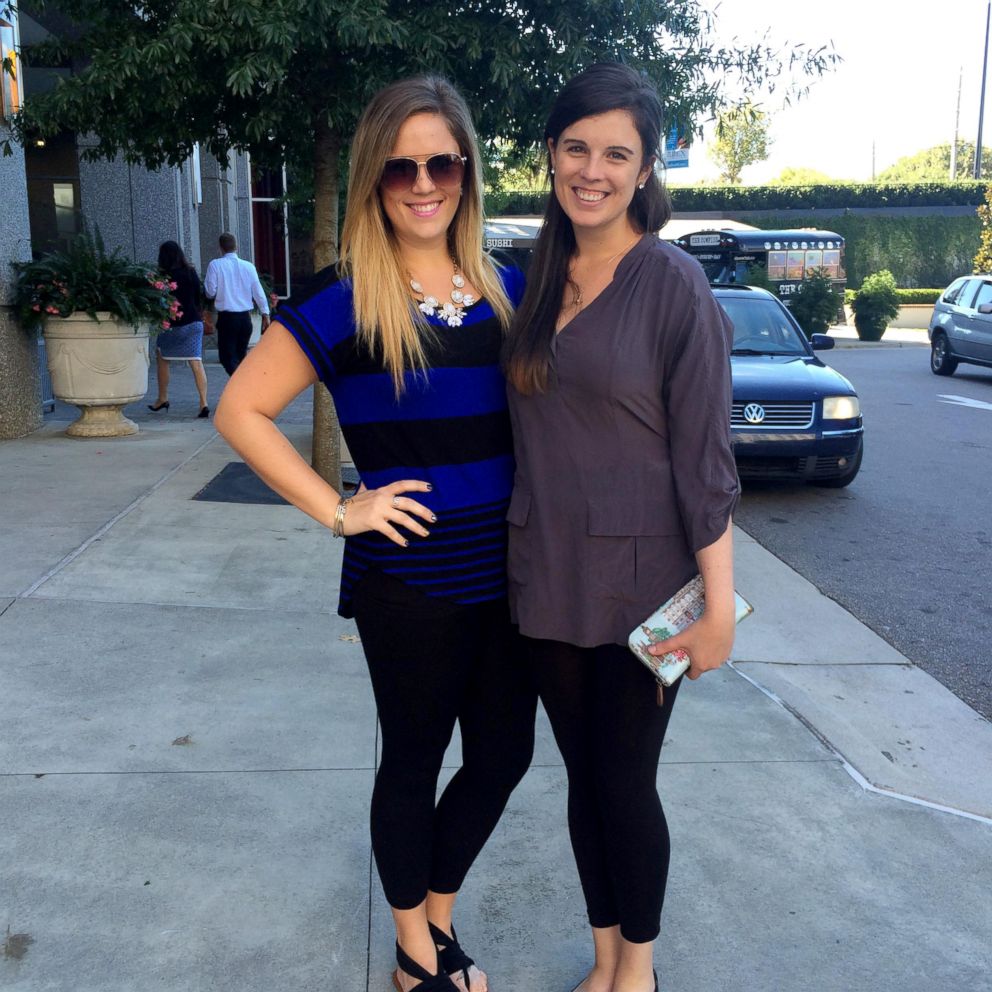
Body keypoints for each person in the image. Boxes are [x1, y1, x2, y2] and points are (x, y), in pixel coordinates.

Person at [214, 76, 536, 992]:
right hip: (412, 581)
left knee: (505, 756)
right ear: (373, 177)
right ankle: (413, 949)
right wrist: (339, 508)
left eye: (442, 161)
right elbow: (240, 409)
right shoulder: (345, 297)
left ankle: (436, 916)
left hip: (510, 572)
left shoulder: (510, 289)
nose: (423, 181)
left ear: (468, 169)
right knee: (414, 759)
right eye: (401, 166)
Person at [502, 63, 740, 992]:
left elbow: (705, 466)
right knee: (583, 780)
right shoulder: (531, 275)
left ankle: (635, 972)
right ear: (551, 156)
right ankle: (602, 960)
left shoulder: (675, 286)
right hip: (545, 573)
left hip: (648, 591)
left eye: (616, 153)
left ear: (644, 170)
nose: (591, 169)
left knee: (626, 783)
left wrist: (719, 613)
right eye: (575, 148)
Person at [148, 240, 209, 417]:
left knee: (162, 358)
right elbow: (199, 296)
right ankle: (203, 402)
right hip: (194, 322)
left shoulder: (165, 276)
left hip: (173, 324)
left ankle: (162, 398)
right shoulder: (190, 272)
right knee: (196, 362)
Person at [203, 232, 271, 376]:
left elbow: (210, 292)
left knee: (227, 358)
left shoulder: (215, 265)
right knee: (240, 357)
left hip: (227, 318)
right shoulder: (249, 266)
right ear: (237, 247)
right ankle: (244, 387)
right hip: (245, 319)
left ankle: (244, 385)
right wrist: (265, 314)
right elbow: (258, 292)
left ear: (220, 248)